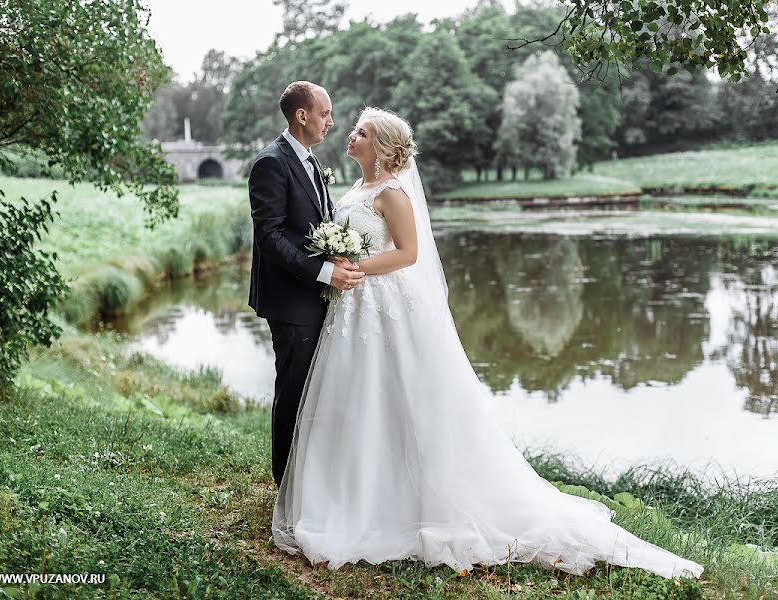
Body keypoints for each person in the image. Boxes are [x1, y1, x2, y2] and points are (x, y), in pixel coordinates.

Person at [271, 107, 703, 579]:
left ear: (382, 146)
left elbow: (409, 254)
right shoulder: (356, 187)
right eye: (352, 128)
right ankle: (350, 494)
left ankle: (407, 504)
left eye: (362, 131)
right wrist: (338, 261)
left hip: (380, 301)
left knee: (397, 396)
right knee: (356, 399)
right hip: (351, 306)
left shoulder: (393, 192)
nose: (350, 134)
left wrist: (356, 268)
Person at [247, 81, 364, 486]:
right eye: (325, 114)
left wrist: (336, 253)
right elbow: (270, 237)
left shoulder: (311, 161)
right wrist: (324, 272)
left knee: (314, 391)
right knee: (294, 392)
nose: (331, 122)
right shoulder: (271, 163)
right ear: (302, 116)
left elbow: (313, 225)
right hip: (289, 300)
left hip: (313, 296)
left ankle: (308, 481)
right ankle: (285, 487)